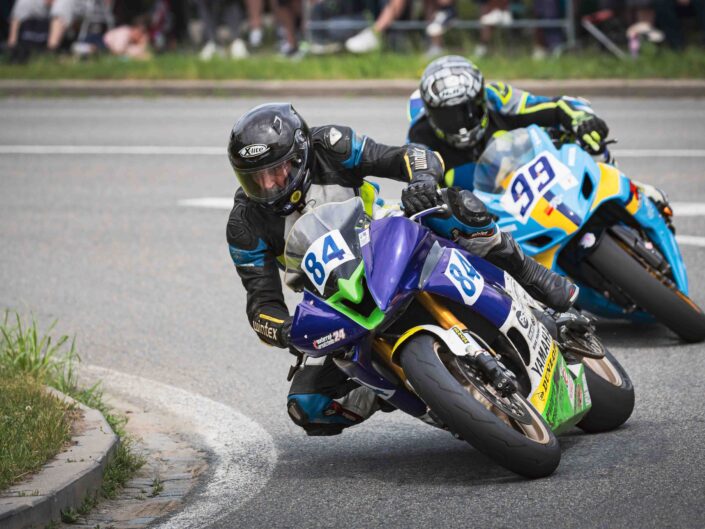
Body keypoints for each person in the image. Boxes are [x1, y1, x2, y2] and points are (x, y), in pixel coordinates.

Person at [226, 102, 577, 436]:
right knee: (307, 405)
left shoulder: (330, 145)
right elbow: (261, 306)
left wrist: (422, 180)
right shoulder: (244, 225)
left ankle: (530, 275)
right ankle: (406, 387)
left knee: (455, 206)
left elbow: (410, 156)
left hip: (386, 239)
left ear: (300, 156)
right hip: (338, 299)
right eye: (255, 179)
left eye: (276, 171)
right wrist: (285, 330)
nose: (268, 186)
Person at [407, 55, 611, 191]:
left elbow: (558, 106)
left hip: (537, 187)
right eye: (447, 116)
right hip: (476, 222)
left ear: (481, 100)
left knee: (592, 146)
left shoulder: (498, 98)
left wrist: (583, 120)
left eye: (467, 110)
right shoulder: (420, 132)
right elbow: (419, 174)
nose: (459, 122)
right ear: (430, 113)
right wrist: (422, 188)